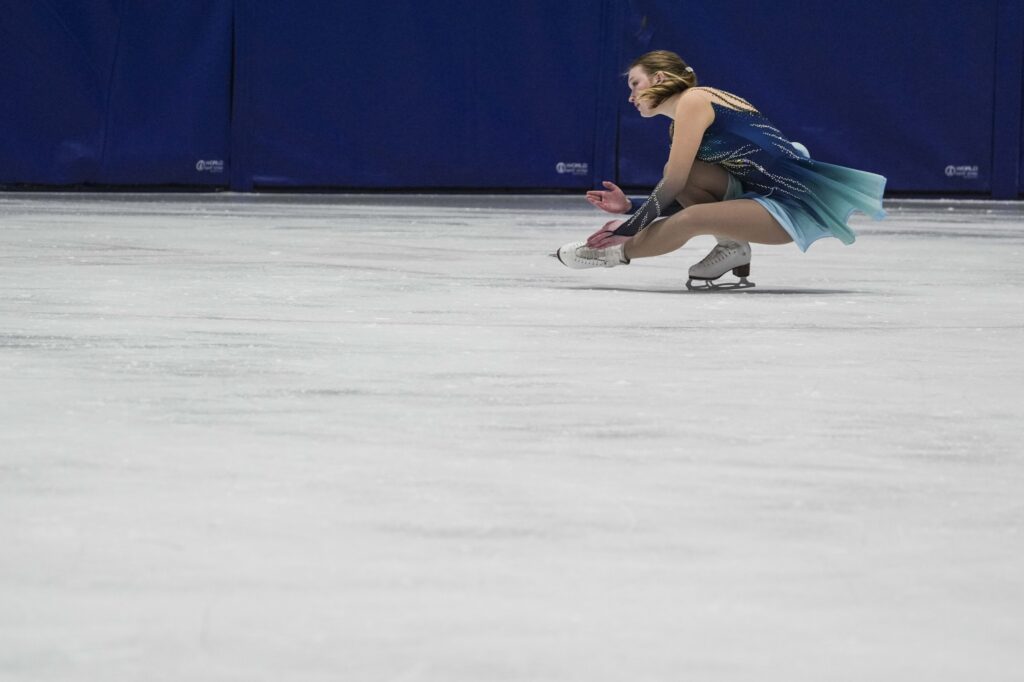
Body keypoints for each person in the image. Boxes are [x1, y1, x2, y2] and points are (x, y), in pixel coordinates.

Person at [557, 50, 887, 289]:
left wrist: (627, 229)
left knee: (691, 219)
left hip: (789, 204)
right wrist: (632, 207)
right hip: (756, 195)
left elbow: (671, 186)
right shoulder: (682, 120)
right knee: (690, 176)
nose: (631, 96)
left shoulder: (694, 100)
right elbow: (680, 186)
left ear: (659, 79)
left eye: (635, 84)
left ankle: (612, 255)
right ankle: (733, 247)